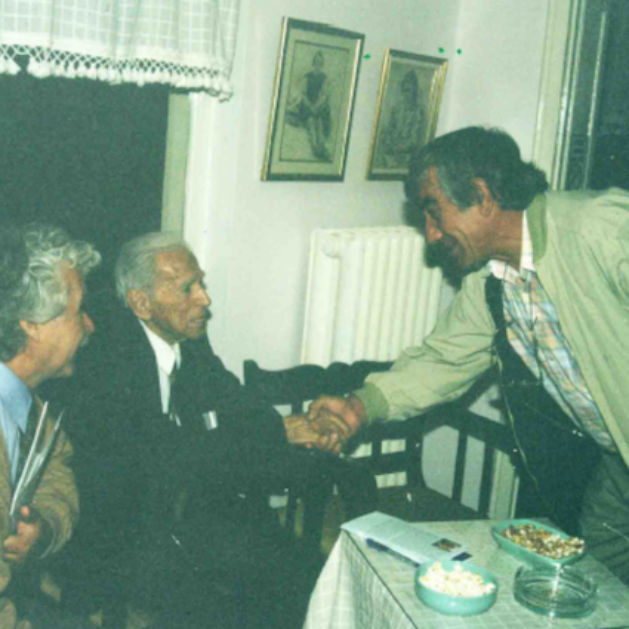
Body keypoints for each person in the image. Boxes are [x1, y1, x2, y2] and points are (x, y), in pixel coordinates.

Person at [308, 126, 629, 583]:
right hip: (618, 467)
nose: (430, 234)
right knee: (590, 582)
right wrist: (356, 408)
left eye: (434, 212)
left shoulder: (601, 229)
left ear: (482, 196)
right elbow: (444, 360)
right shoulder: (490, 282)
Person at [53, 232, 354, 628]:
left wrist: (290, 426)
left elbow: (230, 396)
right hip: (127, 526)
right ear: (141, 303)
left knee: (304, 571)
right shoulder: (108, 355)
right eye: (187, 288)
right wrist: (273, 434)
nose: (205, 299)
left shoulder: (187, 337)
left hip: (186, 506)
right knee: (232, 603)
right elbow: (163, 453)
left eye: (201, 283)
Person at [0, 223, 100, 628]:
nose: (89, 325)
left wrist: (42, 528)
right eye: (78, 311)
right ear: (33, 323)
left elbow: (58, 478)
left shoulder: (33, 409)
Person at [285, 51, 332, 161]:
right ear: (313, 63)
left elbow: (324, 95)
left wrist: (317, 106)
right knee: (310, 121)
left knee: (319, 122)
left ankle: (322, 147)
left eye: (320, 63)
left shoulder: (324, 78)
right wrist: (310, 106)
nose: (318, 65)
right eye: (316, 62)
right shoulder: (307, 77)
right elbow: (303, 94)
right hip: (307, 106)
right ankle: (315, 148)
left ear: (322, 64)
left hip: (319, 106)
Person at [378, 69, 426, 169]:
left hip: (408, 155)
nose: (406, 94)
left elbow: (416, 140)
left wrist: (400, 147)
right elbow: (390, 129)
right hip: (394, 152)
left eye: (409, 90)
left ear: (414, 91)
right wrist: (387, 138)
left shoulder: (419, 112)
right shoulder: (396, 109)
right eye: (404, 90)